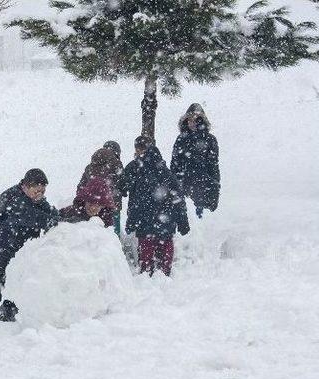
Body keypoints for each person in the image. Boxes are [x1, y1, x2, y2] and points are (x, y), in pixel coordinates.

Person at [0, 169, 60, 329]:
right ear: (26, 186)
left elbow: (50, 213)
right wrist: (54, 221)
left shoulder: (36, 200)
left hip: (16, 255)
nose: (39, 194)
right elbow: (35, 218)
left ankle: (6, 315)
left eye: (43, 190)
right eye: (36, 190)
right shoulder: (15, 199)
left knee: (15, 286)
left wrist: (63, 217)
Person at [122, 137, 190, 276]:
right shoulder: (168, 175)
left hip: (146, 226)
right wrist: (183, 222)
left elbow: (137, 203)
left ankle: (148, 280)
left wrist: (131, 223)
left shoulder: (142, 175)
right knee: (165, 261)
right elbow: (179, 201)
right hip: (166, 226)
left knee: (147, 265)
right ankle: (165, 279)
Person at [170, 103, 220, 219]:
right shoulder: (181, 139)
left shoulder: (210, 140)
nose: (192, 122)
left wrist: (214, 189)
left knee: (200, 223)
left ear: (201, 120)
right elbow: (174, 164)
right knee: (186, 221)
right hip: (183, 187)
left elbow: (213, 166)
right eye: (190, 119)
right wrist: (173, 185)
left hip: (203, 187)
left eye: (196, 119)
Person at [75, 143, 124, 234]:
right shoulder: (116, 166)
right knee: (113, 231)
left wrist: (84, 199)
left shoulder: (90, 167)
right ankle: (116, 243)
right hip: (112, 206)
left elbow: (81, 186)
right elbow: (123, 186)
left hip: (90, 206)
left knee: (91, 231)